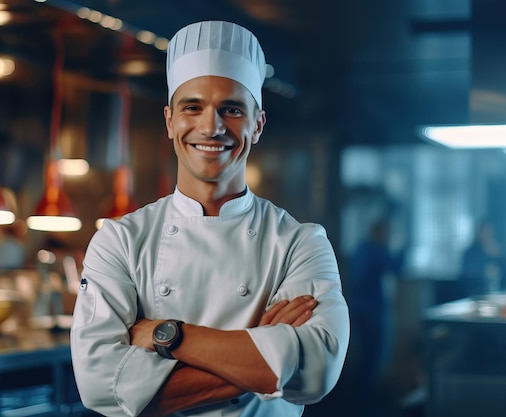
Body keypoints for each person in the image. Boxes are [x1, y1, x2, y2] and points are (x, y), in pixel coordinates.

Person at [71, 20, 350, 417]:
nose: (211, 127)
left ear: (257, 124)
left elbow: (317, 370)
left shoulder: (300, 243)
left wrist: (168, 336)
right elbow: (99, 385)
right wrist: (267, 353)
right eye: (193, 107)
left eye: (231, 109)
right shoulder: (120, 240)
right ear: (170, 121)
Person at [349, 218, 404, 415]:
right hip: (372, 313)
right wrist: (405, 245)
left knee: (366, 359)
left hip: (360, 310)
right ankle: (365, 407)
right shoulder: (375, 252)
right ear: (381, 234)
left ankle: (361, 405)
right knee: (372, 361)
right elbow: (397, 267)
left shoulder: (361, 250)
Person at [459, 220, 506, 299]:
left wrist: (500, 257)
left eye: (490, 232)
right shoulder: (470, 253)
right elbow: (466, 276)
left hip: (497, 295)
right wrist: (484, 273)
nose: (487, 235)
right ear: (479, 233)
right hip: (474, 296)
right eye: (485, 232)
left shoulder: (498, 251)